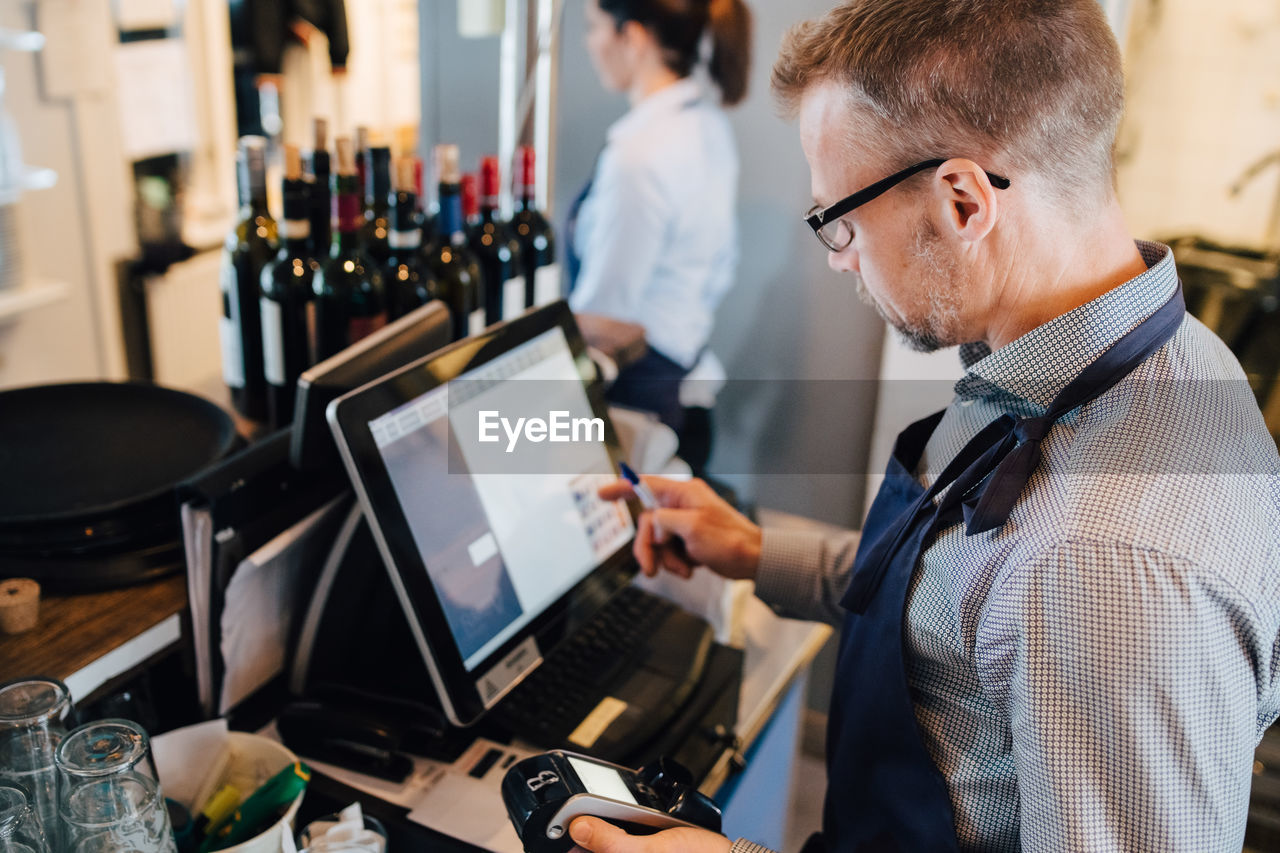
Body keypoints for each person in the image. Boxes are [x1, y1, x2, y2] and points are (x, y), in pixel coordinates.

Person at [568, 1, 1280, 851]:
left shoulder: (1103, 564)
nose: (841, 258)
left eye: (841, 219)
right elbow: (964, 601)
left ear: (963, 202)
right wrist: (756, 551)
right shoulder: (1131, 347)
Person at [567, 0, 752, 474]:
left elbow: (606, 311)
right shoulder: (707, 125)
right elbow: (721, 268)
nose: (590, 43)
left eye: (595, 27)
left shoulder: (638, 156)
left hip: (635, 395)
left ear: (635, 37)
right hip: (684, 382)